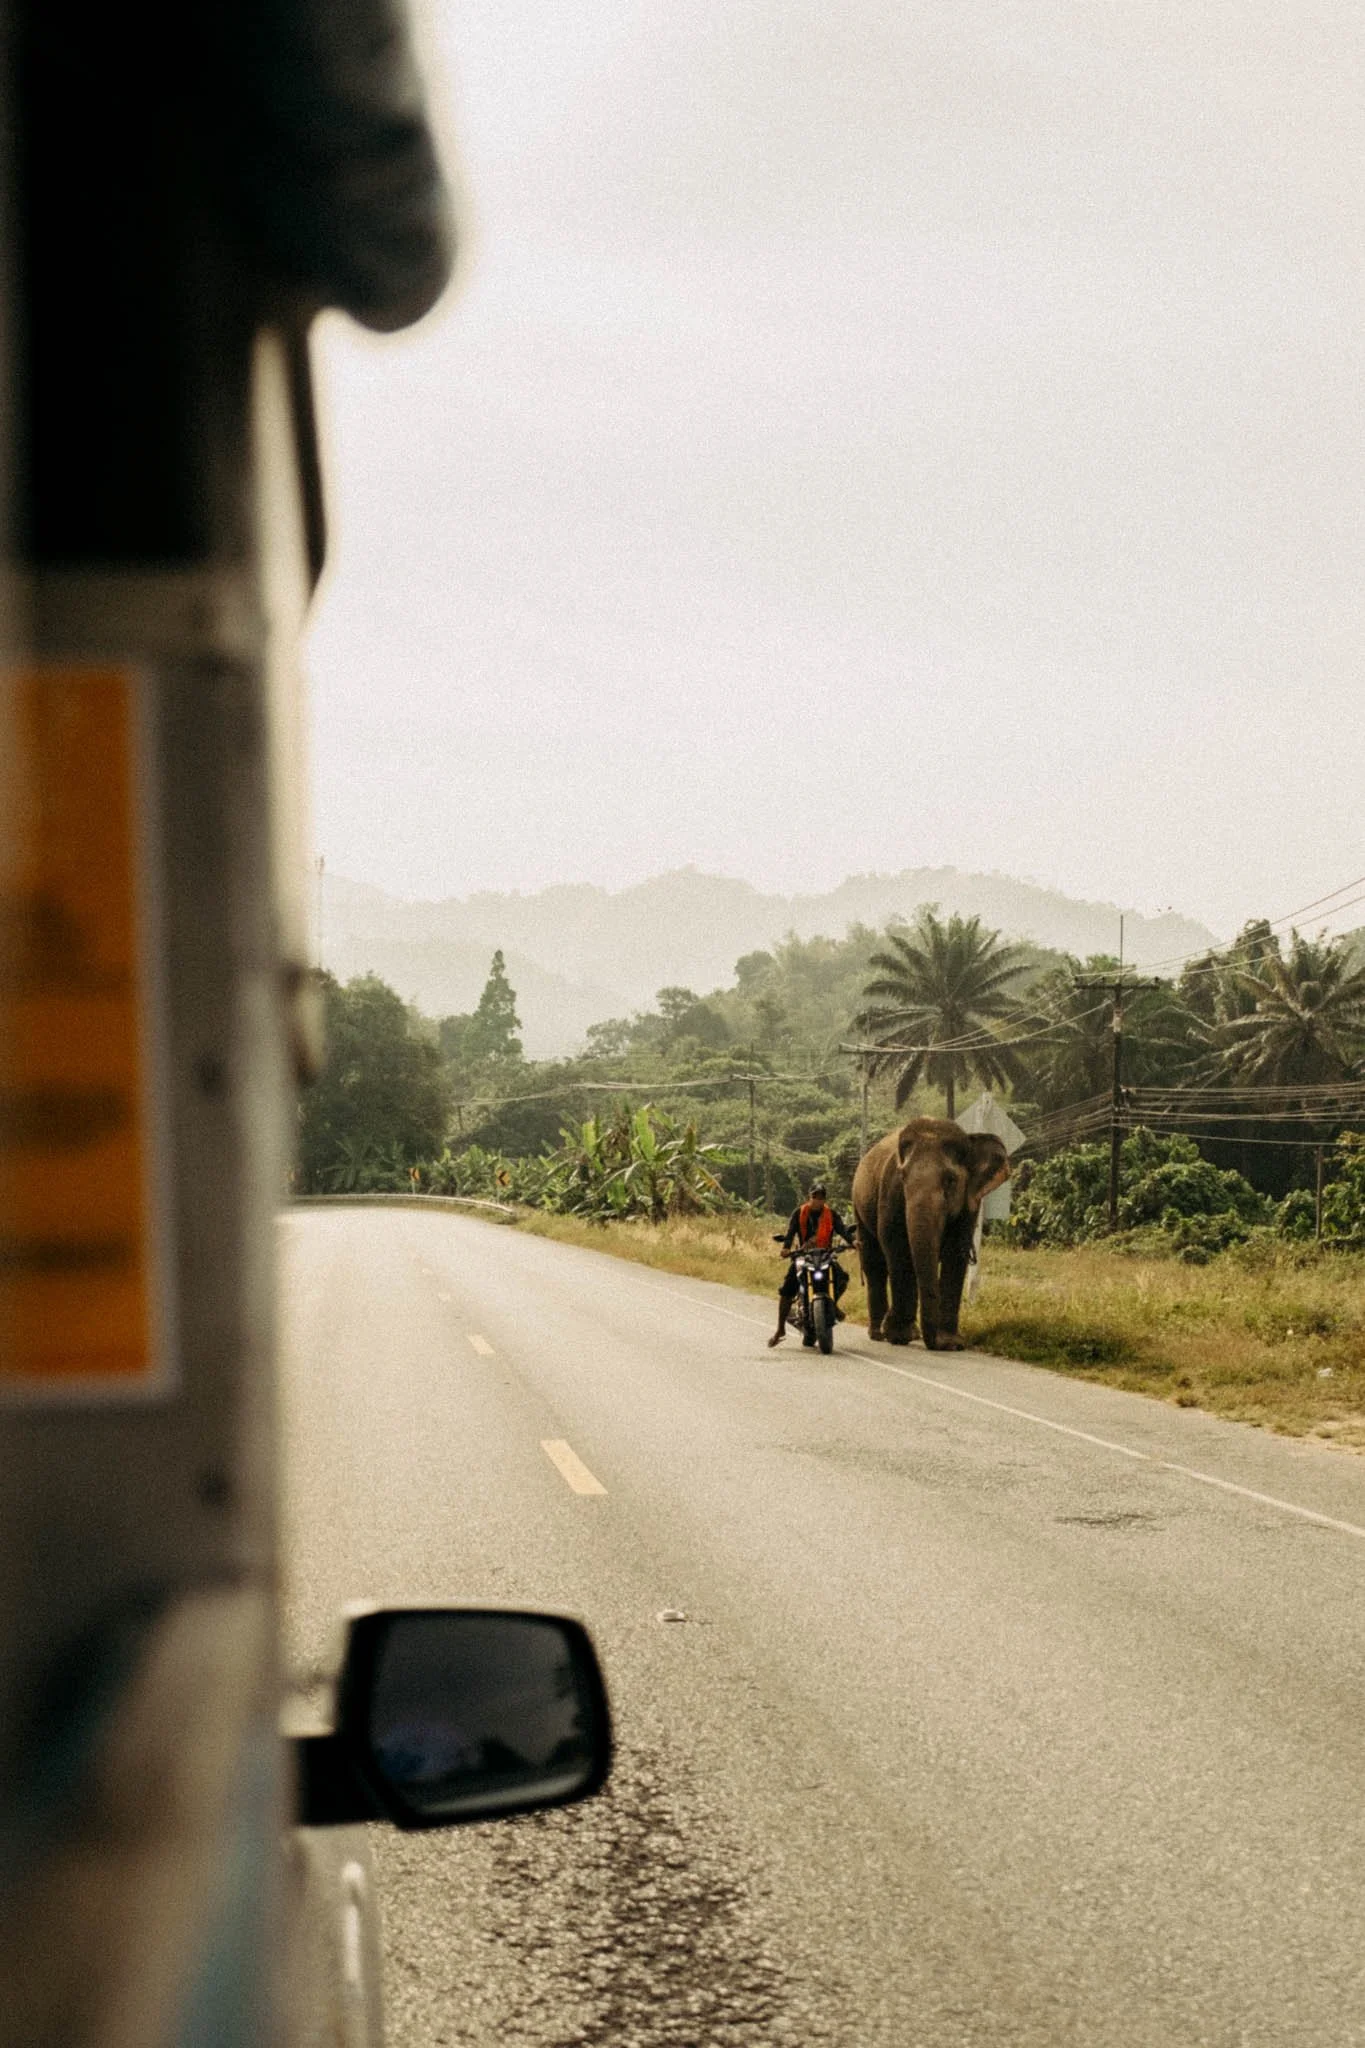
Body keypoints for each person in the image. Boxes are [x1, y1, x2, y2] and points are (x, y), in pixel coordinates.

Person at [768, 1183, 855, 1347]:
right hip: (803, 1256)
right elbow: (790, 1233)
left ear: (824, 1199)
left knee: (842, 1278)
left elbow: (842, 1230)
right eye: (815, 1197)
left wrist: (853, 1241)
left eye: (821, 1197)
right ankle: (780, 1329)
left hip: (825, 1255)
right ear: (810, 1197)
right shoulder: (799, 1213)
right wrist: (786, 1248)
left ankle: (833, 1305)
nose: (818, 1200)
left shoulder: (832, 1214)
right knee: (787, 1290)